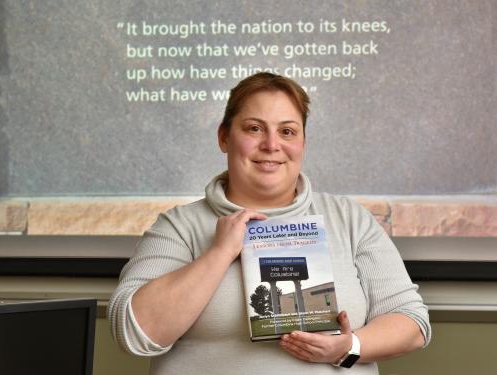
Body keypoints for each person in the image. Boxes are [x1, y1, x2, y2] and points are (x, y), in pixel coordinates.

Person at [108, 72, 431, 374]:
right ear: (224, 137)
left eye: (287, 131)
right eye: (254, 128)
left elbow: (411, 323)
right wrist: (219, 253)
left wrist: (347, 347)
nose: (271, 145)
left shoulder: (349, 219)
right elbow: (135, 333)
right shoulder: (179, 226)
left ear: (303, 142)